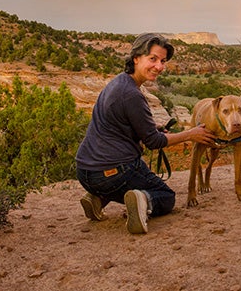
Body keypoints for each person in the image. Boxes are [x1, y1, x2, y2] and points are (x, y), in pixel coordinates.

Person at [75, 33, 216, 234]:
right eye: (153, 59)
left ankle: (97, 198)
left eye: (163, 61)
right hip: (114, 173)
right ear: (136, 58)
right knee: (166, 196)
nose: (159, 67)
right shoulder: (132, 94)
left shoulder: (118, 83)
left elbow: (122, 125)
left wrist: (151, 126)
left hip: (85, 172)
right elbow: (154, 142)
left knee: (127, 175)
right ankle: (143, 201)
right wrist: (191, 134)